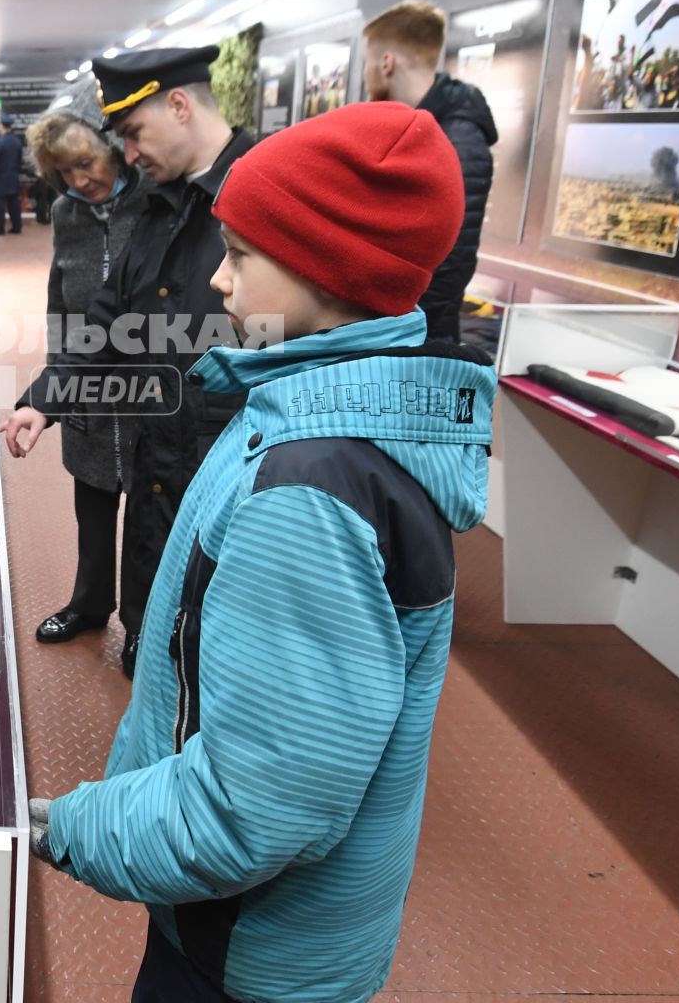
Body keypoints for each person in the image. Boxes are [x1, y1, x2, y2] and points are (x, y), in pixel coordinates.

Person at [30, 102, 496, 1003]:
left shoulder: (309, 493)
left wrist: (71, 829)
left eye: (241, 257)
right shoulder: (316, 417)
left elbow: (253, 809)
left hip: (248, 948)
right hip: (269, 931)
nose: (220, 284)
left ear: (327, 269)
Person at [0, 46, 260, 678]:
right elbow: (108, 321)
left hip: (240, 460)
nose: (131, 156)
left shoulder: (268, 187)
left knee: (219, 654)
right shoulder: (156, 205)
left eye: (135, 134)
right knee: (153, 654)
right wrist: (43, 397)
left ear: (178, 105)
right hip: (161, 453)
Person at [26, 111, 153, 649]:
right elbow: (60, 306)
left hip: (152, 384)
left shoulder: (156, 200)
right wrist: (59, 386)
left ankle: (143, 623)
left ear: (112, 149)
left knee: (152, 518)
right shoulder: (65, 213)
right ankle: (90, 604)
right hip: (87, 382)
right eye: (65, 172)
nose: (79, 180)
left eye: (86, 163)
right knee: (93, 509)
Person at [363, 0, 497, 344]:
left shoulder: (458, 136)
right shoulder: (416, 128)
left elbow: (451, 259)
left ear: (386, 63)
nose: (366, 75)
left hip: (416, 338)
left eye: (367, 63)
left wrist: (394, 331)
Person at [0, 114, 26, 235]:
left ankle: (0, 227)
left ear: (1, 126)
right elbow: (20, 161)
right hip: (13, 177)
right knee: (14, 202)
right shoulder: (17, 141)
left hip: (0, 178)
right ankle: (17, 226)